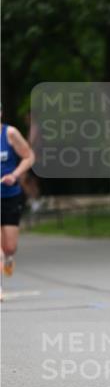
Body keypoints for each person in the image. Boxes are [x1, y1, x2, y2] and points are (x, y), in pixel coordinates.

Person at [1, 110, 36, 288]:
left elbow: (29, 157)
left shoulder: (10, 133)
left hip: (10, 196)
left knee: (9, 247)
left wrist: (14, 175)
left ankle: (8, 258)